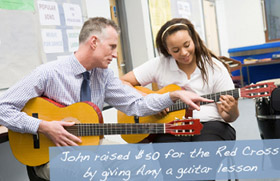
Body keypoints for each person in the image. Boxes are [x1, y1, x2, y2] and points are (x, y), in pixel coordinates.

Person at [0, 17, 212, 180]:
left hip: (93, 144)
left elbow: (137, 105)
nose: (115, 54)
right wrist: (43, 126)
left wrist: (172, 96)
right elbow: (3, 108)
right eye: (112, 47)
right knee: (91, 171)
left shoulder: (104, 75)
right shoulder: (48, 73)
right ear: (94, 42)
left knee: (142, 163)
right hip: (51, 153)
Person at [121, 18, 239, 144]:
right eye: (175, 50)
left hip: (211, 123)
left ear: (194, 40)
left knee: (205, 151)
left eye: (187, 45)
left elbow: (228, 117)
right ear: (167, 50)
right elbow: (121, 83)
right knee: (171, 155)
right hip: (172, 126)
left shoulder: (215, 67)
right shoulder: (160, 64)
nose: (184, 53)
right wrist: (151, 100)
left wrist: (232, 111)